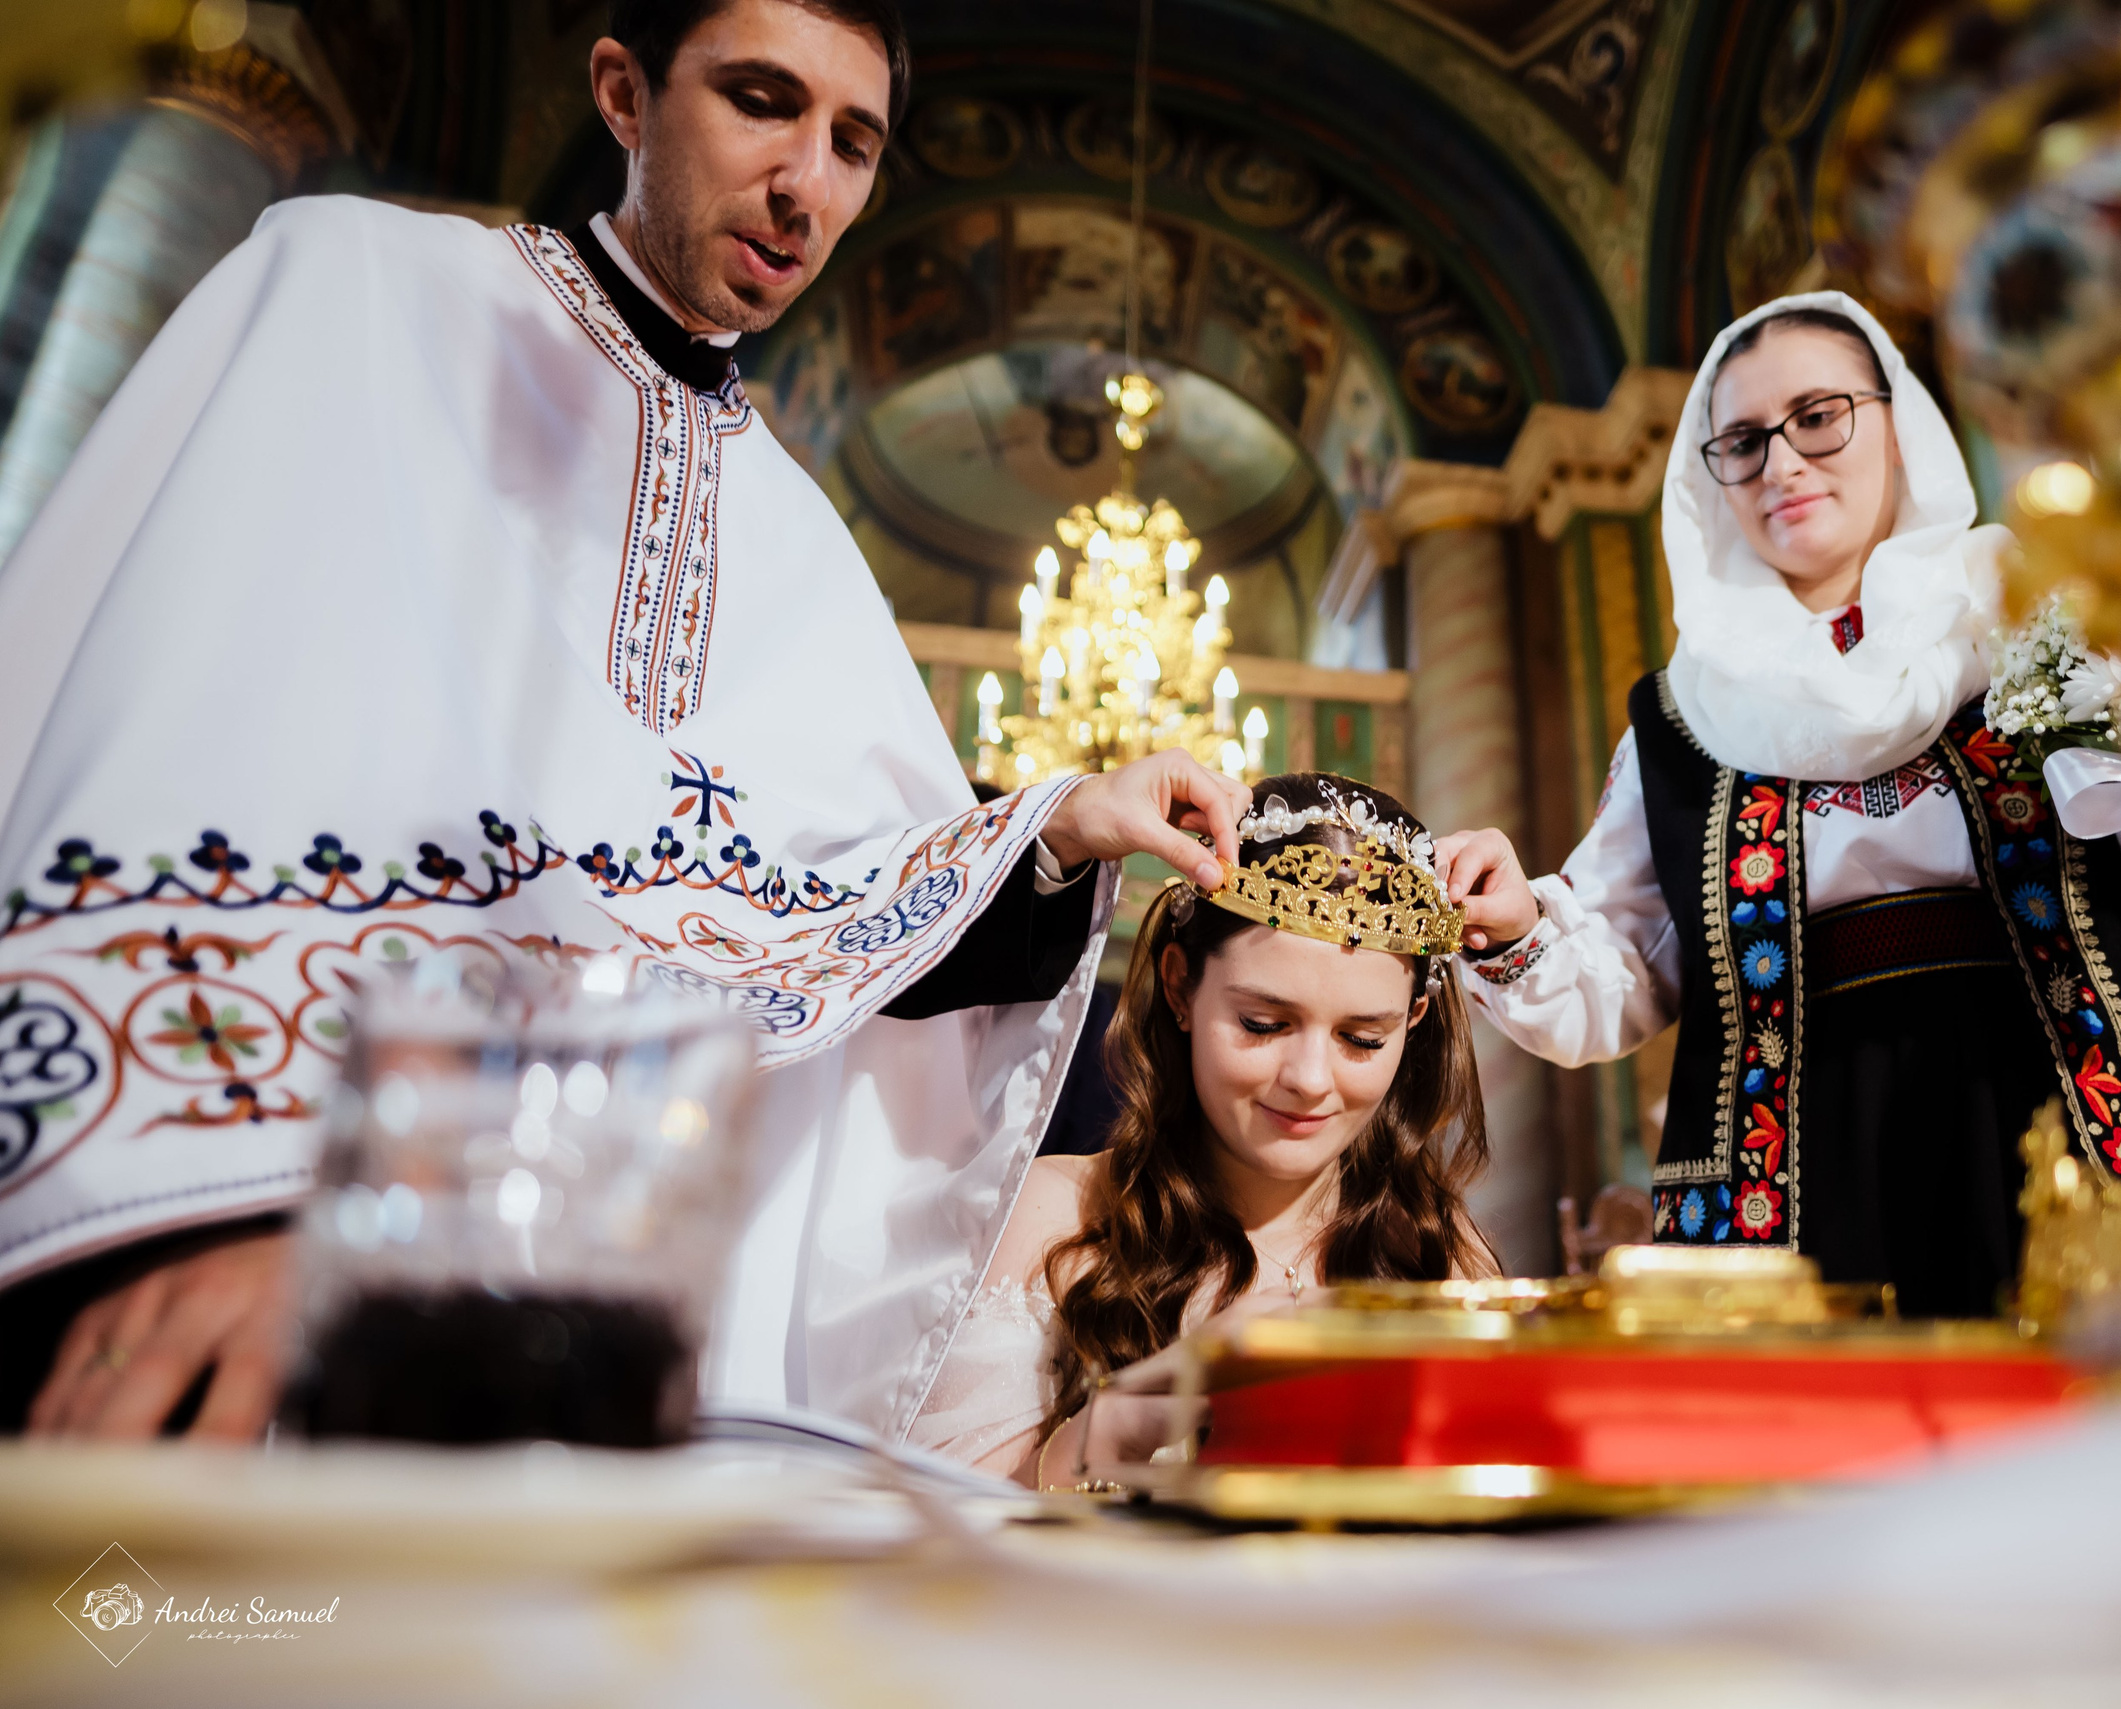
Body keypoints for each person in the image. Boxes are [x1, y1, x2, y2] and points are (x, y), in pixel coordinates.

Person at [0, 0, 1249, 1440]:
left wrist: (1056, 828)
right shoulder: (365, 291)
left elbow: (824, 926)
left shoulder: (789, 526)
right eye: (761, 100)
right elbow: (165, 752)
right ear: (622, 92)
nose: (808, 183)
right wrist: (218, 1204)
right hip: (246, 1233)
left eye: (854, 141)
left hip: (577, 1299)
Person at [1434, 293, 2121, 1320]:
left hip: (2071, 1122)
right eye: (1741, 441)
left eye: (1818, 415)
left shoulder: (2044, 621)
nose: (1781, 463)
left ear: (1897, 425)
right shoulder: (1681, 717)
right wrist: (1515, 926)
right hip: (1795, 1181)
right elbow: (1621, 971)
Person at [907, 774, 1494, 1485]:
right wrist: (1153, 1400)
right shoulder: (1052, 1214)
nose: (1310, 1077)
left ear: (1412, 1024)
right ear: (1181, 986)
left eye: (1362, 1039)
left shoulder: (1438, 1248)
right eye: (1263, 1024)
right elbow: (945, 1526)